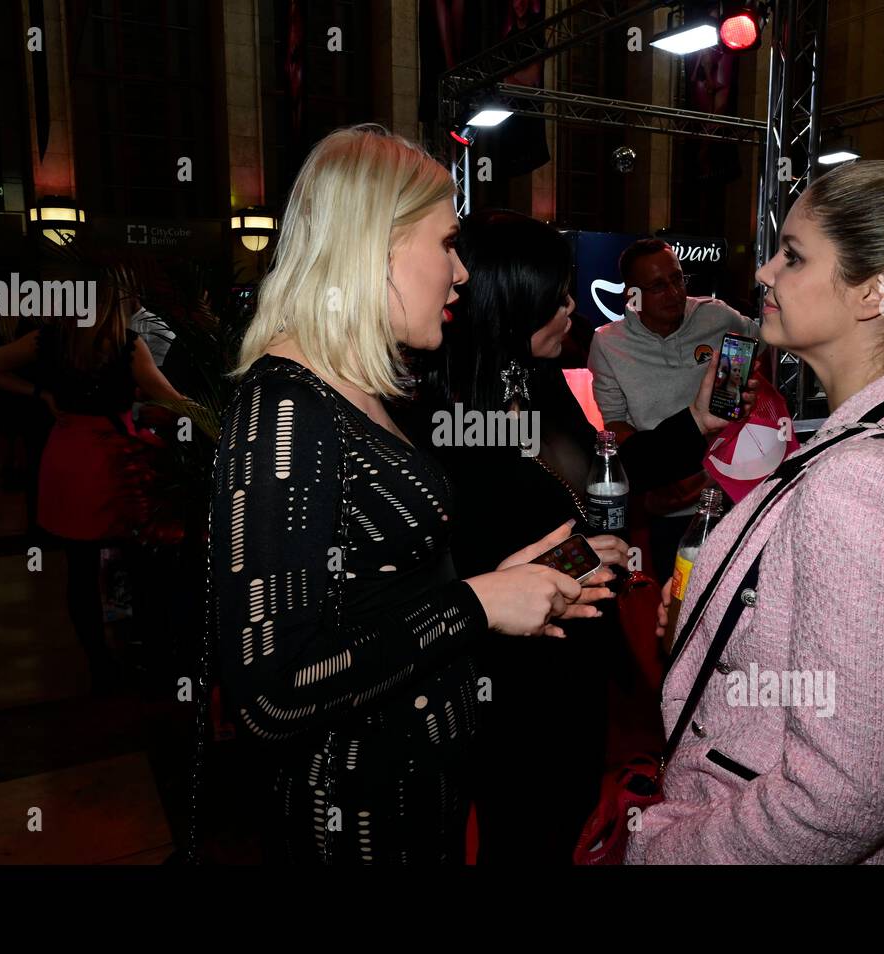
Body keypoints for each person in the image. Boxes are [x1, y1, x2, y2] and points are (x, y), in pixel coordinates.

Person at [627, 159, 884, 864]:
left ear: (877, 292)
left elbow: (843, 802)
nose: (763, 272)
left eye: (792, 256)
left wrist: (667, 853)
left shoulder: (864, 483)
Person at [209, 126, 597, 865]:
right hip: (358, 819)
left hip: (418, 801)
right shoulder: (287, 409)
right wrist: (477, 603)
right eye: (447, 244)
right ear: (377, 245)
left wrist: (509, 578)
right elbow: (271, 694)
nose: (460, 274)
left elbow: (378, 593)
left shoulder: (355, 391)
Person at [405, 208, 756, 863]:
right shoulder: (444, 422)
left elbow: (601, 477)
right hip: (510, 688)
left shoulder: (537, 384)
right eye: (554, 294)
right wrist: (580, 555)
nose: (572, 305)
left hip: (576, 663)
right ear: (508, 303)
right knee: (524, 832)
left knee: (566, 819)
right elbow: (471, 578)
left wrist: (696, 422)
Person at [0, 271, 187, 691]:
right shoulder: (127, 345)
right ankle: (150, 653)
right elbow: (174, 401)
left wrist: (42, 395)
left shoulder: (48, 340)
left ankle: (99, 664)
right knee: (141, 562)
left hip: (67, 456)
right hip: (117, 459)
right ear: (112, 300)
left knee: (80, 569)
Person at [587, 239, 759, 580]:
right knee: (679, 602)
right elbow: (615, 423)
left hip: (735, 492)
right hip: (671, 505)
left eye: (678, 279)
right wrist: (657, 473)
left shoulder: (717, 316)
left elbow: (767, 343)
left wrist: (747, 383)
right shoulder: (608, 343)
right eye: (657, 286)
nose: (674, 292)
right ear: (631, 295)